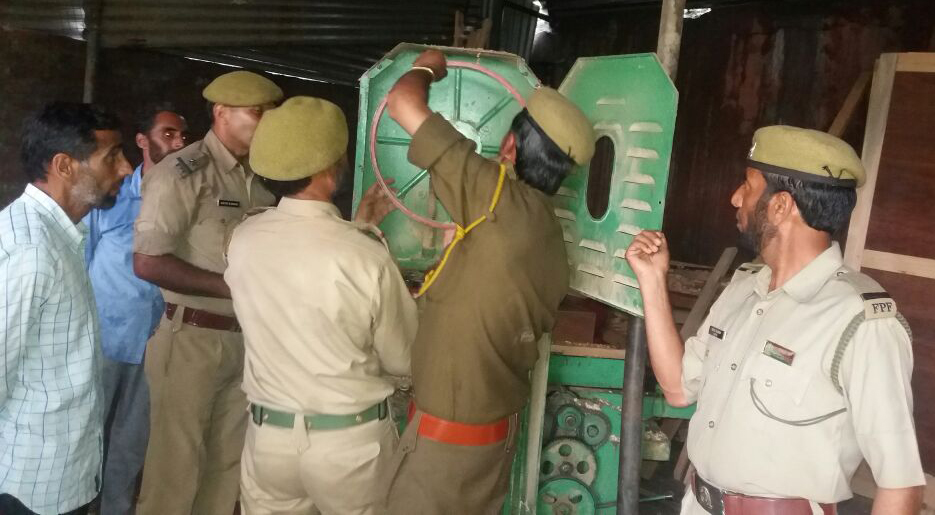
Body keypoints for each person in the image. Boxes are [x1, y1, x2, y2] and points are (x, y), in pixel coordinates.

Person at [625, 126, 925, 515]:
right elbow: (678, 388)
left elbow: (900, 485)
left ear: (780, 206)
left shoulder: (861, 321)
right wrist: (652, 281)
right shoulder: (744, 288)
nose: (735, 197)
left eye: (748, 187)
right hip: (697, 504)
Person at [381, 49, 595, 513]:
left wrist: (427, 66)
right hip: (491, 441)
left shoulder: (495, 198)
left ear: (511, 148)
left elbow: (401, 101)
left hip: (444, 449)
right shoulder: (548, 235)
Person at [225, 96, 416, 515]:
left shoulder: (243, 240)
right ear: (330, 170)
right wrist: (361, 235)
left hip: (267, 443)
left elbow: (302, 267)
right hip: (350, 449)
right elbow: (403, 357)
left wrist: (358, 227)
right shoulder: (365, 255)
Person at [131, 70, 282, 515]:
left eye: (270, 112)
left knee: (225, 471)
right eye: (257, 112)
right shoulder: (182, 173)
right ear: (221, 113)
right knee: (174, 474)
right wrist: (235, 288)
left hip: (245, 340)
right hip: (192, 340)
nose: (265, 121)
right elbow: (148, 261)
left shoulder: (261, 177)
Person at [0, 102, 133, 514]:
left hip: (59, 475)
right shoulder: (32, 250)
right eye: (111, 156)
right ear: (64, 165)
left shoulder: (59, 235)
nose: (126, 168)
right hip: (29, 487)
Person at [83, 103, 187, 514]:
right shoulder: (108, 198)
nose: (178, 142)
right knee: (88, 435)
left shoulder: (185, 197)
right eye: (168, 134)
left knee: (132, 440)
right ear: (142, 141)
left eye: (181, 135)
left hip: (155, 341)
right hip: (106, 339)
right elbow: (82, 260)